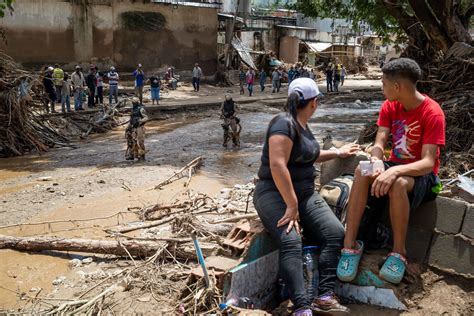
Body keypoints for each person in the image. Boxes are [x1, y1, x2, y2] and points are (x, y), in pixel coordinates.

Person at [253, 78, 359, 315]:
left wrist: (338, 152)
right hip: (273, 192)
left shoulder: (302, 125)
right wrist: (291, 205)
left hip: (304, 194)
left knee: (334, 233)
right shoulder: (283, 123)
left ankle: (323, 295)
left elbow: (310, 154)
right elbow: (278, 166)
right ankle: (302, 307)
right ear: (314, 102)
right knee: (291, 241)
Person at [337, 58, 446, 285]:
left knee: (397, 183)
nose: (382, 87)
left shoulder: (432, 112)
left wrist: (393, 173)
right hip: (395, 166)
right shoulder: (390, 106)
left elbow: (427, 162)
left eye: (384, 83)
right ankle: (350, 244)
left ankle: (399, 252)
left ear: (397, 86)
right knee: (361, 170)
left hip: (422, 177)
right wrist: (377, 160)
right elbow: (380, 141)